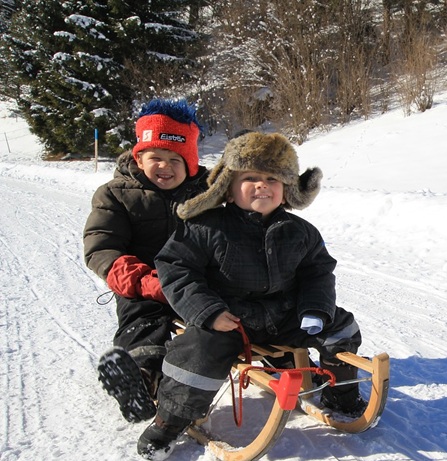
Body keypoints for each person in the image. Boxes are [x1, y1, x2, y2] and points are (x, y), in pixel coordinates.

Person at [137, 132, 365, 459]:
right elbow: (176, 266)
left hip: (285, 315)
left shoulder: (300, 232)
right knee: (198, 350)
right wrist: (208, 311)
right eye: (250, 178)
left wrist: (315, 309)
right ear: (228, 186)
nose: (262, 185)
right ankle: (171, 418)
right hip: (228, 319)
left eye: (271, 178)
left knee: (343, 326)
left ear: (286, 189)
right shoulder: (206, 225)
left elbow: (318, 271)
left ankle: (339, 394)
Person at [83, 98, 208, 424]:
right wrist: (141, 281)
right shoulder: (116, 195)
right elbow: (102, 247)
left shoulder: (208, 194)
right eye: (155, 157)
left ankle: (291, 364)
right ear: (139, 158)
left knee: (246, 308)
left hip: (197, 282)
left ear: (191, 163)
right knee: (144, 318)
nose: (164, 166)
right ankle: (140, 377)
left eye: (174, 159)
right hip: (145, 282)